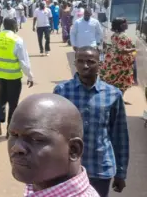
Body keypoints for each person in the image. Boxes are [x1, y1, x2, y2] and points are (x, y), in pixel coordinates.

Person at [54, 47, 129, 197]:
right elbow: (53, 131)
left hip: (100, 169)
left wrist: (121, 172)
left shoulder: (113, 94)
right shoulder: (62, 92)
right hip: (69, 168)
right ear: (75, 63)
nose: (85, 66)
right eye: (80, 61)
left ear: (99, 64)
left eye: (90, 62)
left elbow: (120, 135)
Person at [8, 93, 100, 196]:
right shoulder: (41, 187)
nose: (16, 147)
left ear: (74, 150)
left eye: (36, 139)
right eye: (14, 135)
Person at [0, 17, 33, 136]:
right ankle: (10, 129)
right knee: (13, 103)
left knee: (2, 96)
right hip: (13, 76)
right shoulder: (17, 40)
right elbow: (23, 61)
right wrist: (29, 76)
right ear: (14, 26)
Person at [100, 18, 136, 95]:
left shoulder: (114, 35)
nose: (127, 24)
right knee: (122, 81)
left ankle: (113, 97)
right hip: (120, 63)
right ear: (121, 25)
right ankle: (118, 99)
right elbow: (122, 50)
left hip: (113, 60)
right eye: (126, 23)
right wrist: (136, 49)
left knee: (113, 80)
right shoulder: (123, 36)